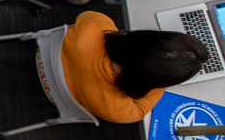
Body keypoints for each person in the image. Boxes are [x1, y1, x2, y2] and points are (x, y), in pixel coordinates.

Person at [61, 11, 206, 123]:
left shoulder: (98, 23)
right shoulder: (117, 110)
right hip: (60, 97)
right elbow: (140, 112)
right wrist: (164, 81)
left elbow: (85, 15)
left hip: (45, 59)